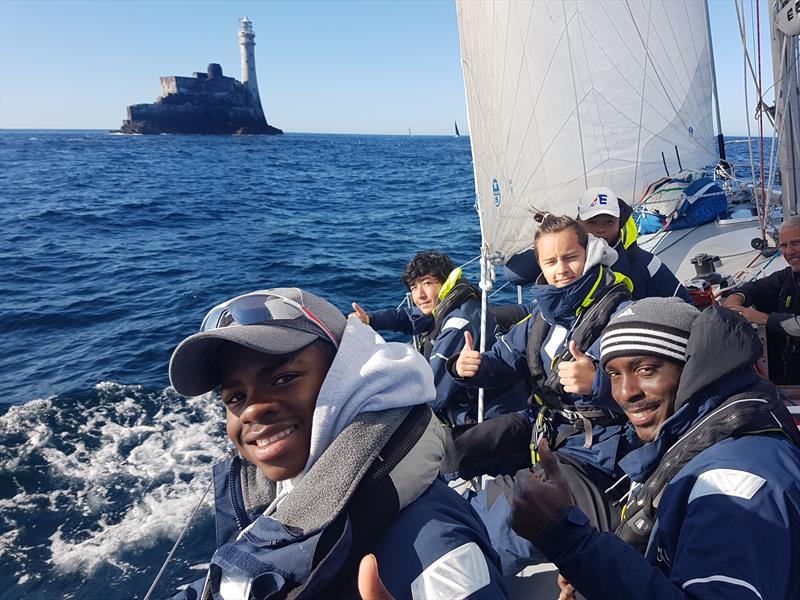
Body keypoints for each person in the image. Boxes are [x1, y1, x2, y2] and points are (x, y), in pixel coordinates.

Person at [166, 287, 507, 599]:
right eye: (235, 397)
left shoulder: (435, 543)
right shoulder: (277, 506)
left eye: (283, 379)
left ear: (348, 376)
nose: (253, 409)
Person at [511, 298, 800, 600]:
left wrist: (568, 540)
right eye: (613, 374)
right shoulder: (703, 443)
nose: (626, 393)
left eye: (646, 370)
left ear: (694, 370)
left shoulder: (733, 483)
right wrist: (595, 565)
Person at [443, 215, 635, 574]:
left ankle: (462, 570)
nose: (561, 269)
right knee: (451, 450)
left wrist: (599, 384)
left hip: (597, 451)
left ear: (590, 252)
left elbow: (652, 390)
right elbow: (505, 360)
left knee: (510, 511)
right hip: (542, 428)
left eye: (570, 257)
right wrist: (468, 366)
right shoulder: (540, 317)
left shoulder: (622, 317)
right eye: (550, 262)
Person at [350, 250, 526, 425]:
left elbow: (433, 394)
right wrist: (370, 319)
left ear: (445, 282)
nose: (419, 295)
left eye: (426, 283)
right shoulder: (448, 302)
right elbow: (410, 318)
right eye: (413, 287)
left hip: (487, 413)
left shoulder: (459, 324)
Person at [502, 188, 691, 304]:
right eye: (592, 222)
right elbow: (514, 274)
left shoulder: (644, 263)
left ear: (620, 221)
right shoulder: (564, 254)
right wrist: (552, 246)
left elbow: (684, 302)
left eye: (609, 221)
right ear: (579, 223)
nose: (600, 229)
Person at [722, 216, 800, 384]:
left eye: (796, 243)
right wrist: (736, 297)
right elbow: (760, 286)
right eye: (784, 245)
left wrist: (762, 318)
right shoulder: (791, 275)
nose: (789, 252)